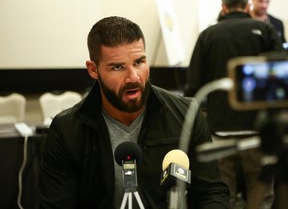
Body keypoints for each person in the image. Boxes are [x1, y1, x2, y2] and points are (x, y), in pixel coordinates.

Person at [39, 16, 230, 209]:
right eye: (118, 67)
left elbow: (211, 193)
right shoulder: (67, 131)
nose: (133, 77)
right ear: (93, 70)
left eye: (139, 62)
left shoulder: (186, 115)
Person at [184, 0, 284, 208]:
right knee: (262, 199)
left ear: (224, 7)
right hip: (258, 132)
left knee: (221, 196)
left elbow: (194, 84)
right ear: (248, 5)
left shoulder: (207, 36)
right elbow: (280, 76)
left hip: (220, 132)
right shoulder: (265, 30)